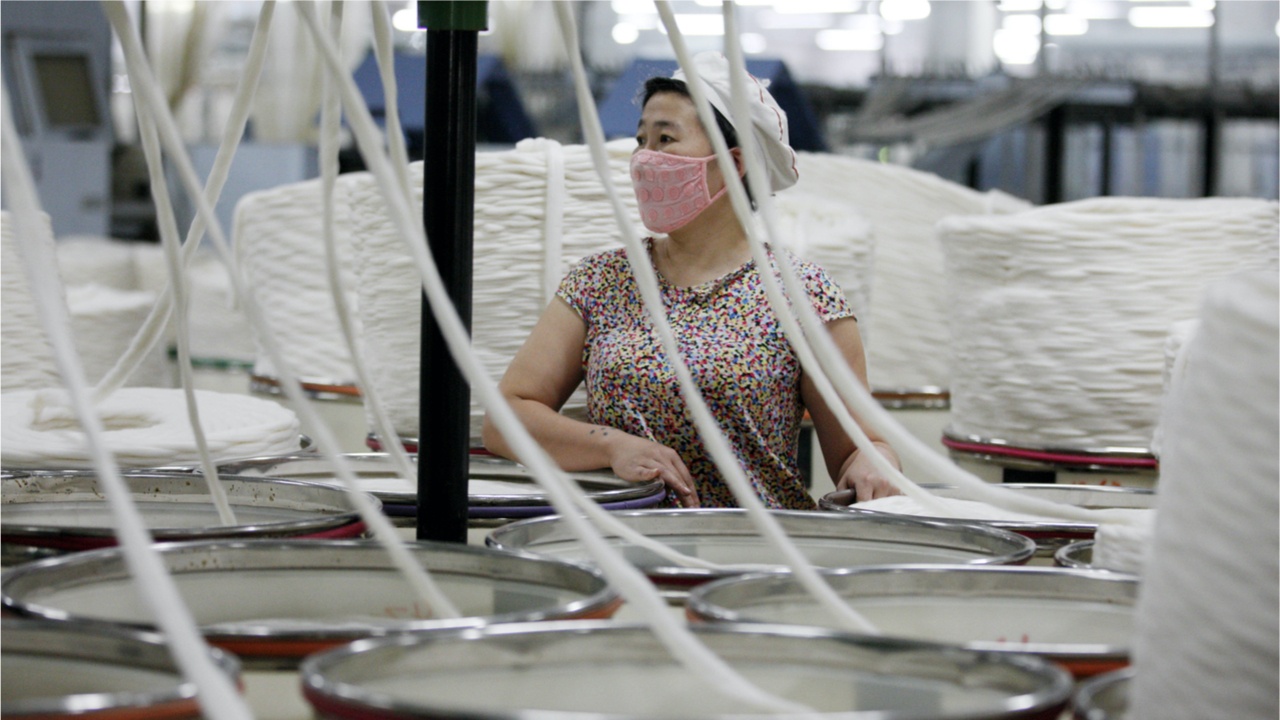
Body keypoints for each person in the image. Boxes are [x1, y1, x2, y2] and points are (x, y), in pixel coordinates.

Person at [482, 52, 901, 509]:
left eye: (666, 138)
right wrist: (611, 446)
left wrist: (872, 461)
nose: (644, 158)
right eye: (641, 139)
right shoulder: (601, 282)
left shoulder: (803, 296)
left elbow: (860, 447)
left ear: (734, 161)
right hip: (624, 546)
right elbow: (506, 419)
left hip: (757, 552)